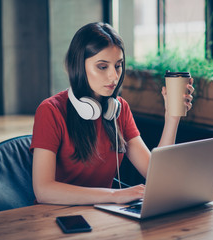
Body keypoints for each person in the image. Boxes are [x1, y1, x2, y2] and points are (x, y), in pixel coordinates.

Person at [30, 22, 194, 206]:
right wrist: (114, 195)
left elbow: (159, 176)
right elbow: (44, 190)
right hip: (56, 218)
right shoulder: (51, 110)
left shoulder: (119, 109)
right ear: (78, 66)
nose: (114, 77)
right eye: (102, 67)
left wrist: (172, 118)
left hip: (102, 216)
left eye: (118, 66)